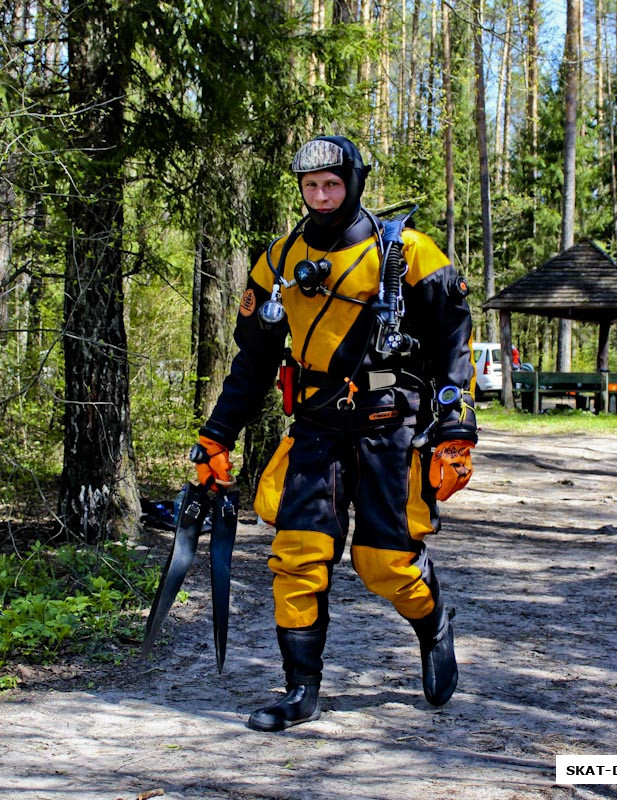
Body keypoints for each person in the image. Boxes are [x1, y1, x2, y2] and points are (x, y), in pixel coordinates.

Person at [189, 135, 478, 732]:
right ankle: (301, 689)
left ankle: (433, 624)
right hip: (316, 424)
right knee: (297, 557)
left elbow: (453, 340)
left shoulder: (409, 253)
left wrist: (455, 426)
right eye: (309, 186)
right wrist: (218, 434)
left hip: (387, 424)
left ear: (354, 183)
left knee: (384, 562)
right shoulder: (278, 261)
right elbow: (252, 363)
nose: (320, 197)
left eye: (332, 185)